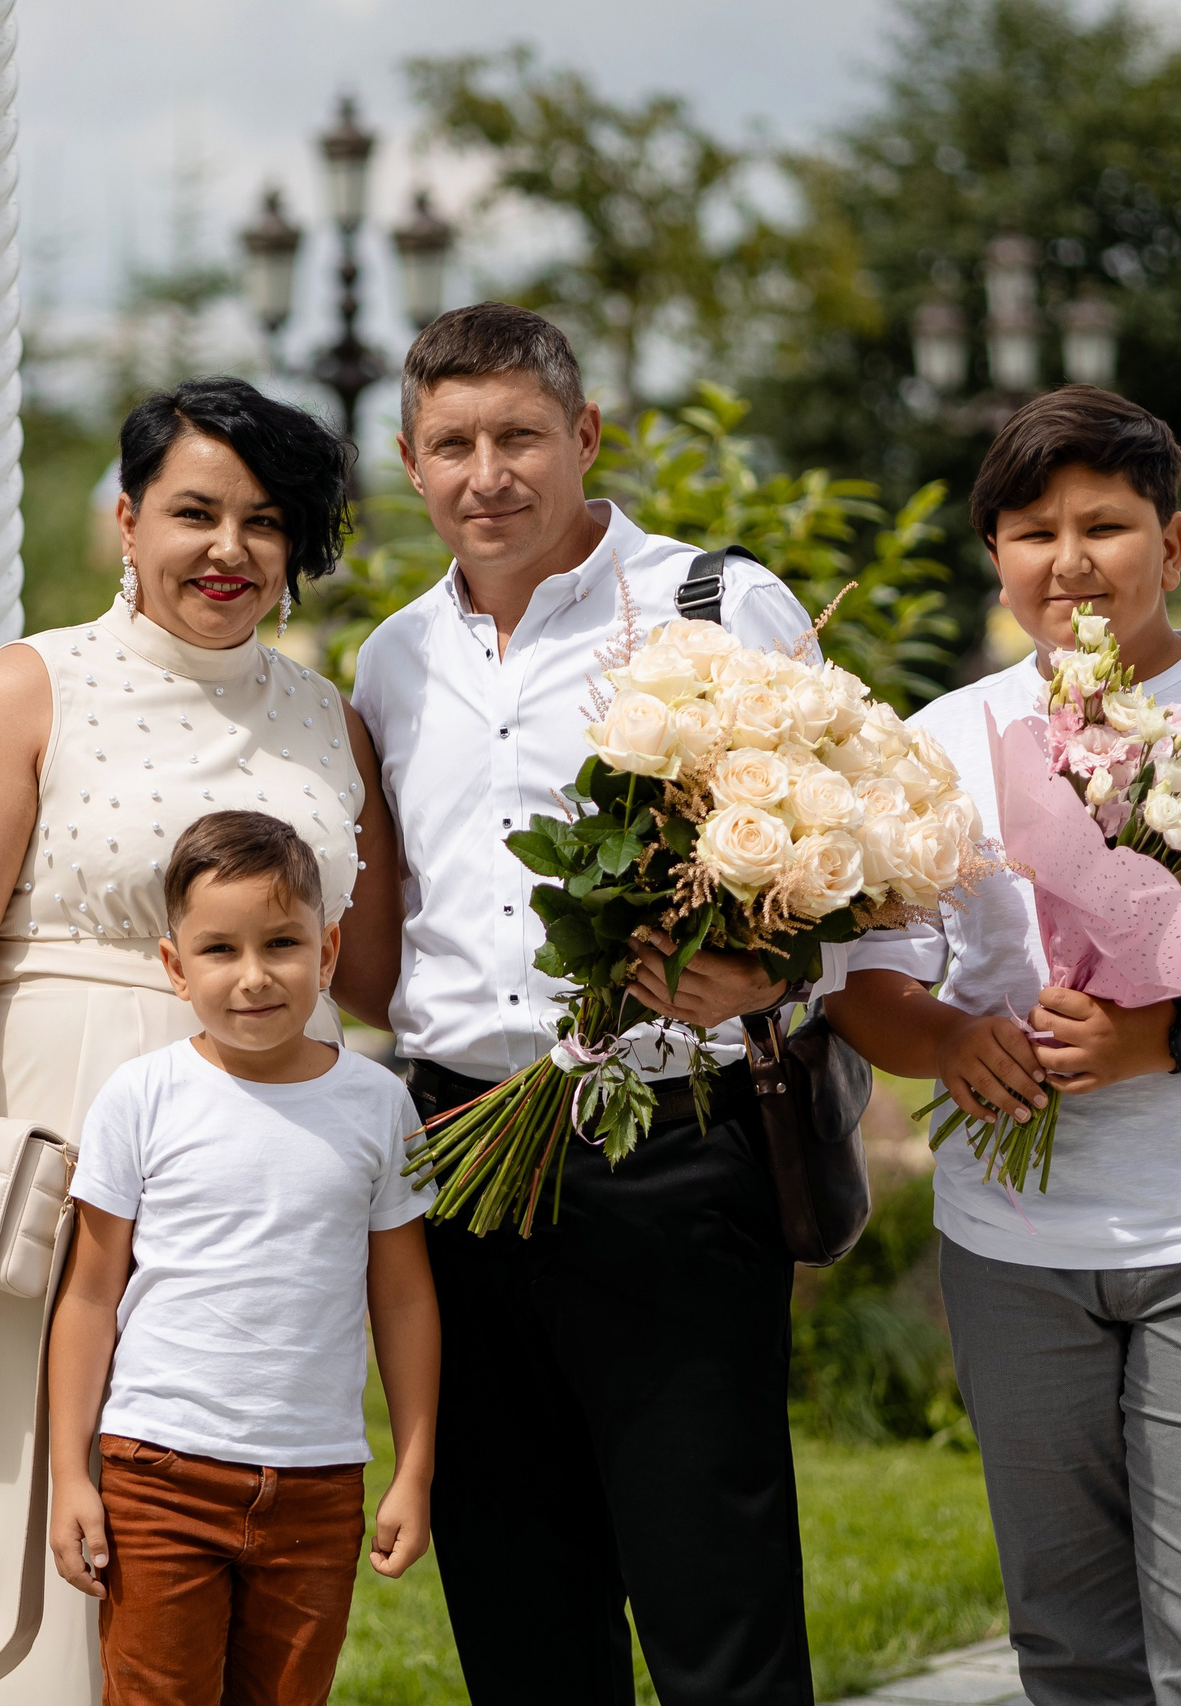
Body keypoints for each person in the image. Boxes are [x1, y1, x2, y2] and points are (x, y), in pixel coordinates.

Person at [822, 385, 1181, 1706]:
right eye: (1035, 530)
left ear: (1177, 541)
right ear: (996, 557)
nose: (1072, 560)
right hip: (1015, 1248)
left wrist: (1168, 1033)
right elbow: (864, 981)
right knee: (1071, 1642)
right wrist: (949, 1040)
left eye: (1108, 524)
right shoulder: (940, 743)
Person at [0, 377, 404, 1704]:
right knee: (46, 1513)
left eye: (264, 522)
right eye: (194, 512)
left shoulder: (330, 717)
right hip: (67, 1140)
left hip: (274, 1175)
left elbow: (375, 968)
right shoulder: (28, 688)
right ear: (126, 519)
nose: (228, 550)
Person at [349, 302, 821, 1706]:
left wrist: (769, 971)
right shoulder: (388, 660)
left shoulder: (716, 608)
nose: (486, 473)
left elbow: (830, 873)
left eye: (519, 437)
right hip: (460, 1153)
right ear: (409, 458)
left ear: (586, 435)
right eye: (453, 444)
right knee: (515, 1596)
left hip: (668, 1146)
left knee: (713, 1586)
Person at [43, 810, 441, 1706]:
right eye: (219, 949)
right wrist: (73, 1474)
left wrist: (413, 1470)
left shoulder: (378, 1106)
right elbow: (90, 1297)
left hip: (318, 1485)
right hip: (159, 1479)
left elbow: (406, 1301)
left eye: (283, 942)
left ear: (329, 948)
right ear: (175, 968)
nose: (254, 976)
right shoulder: (141, 1098)